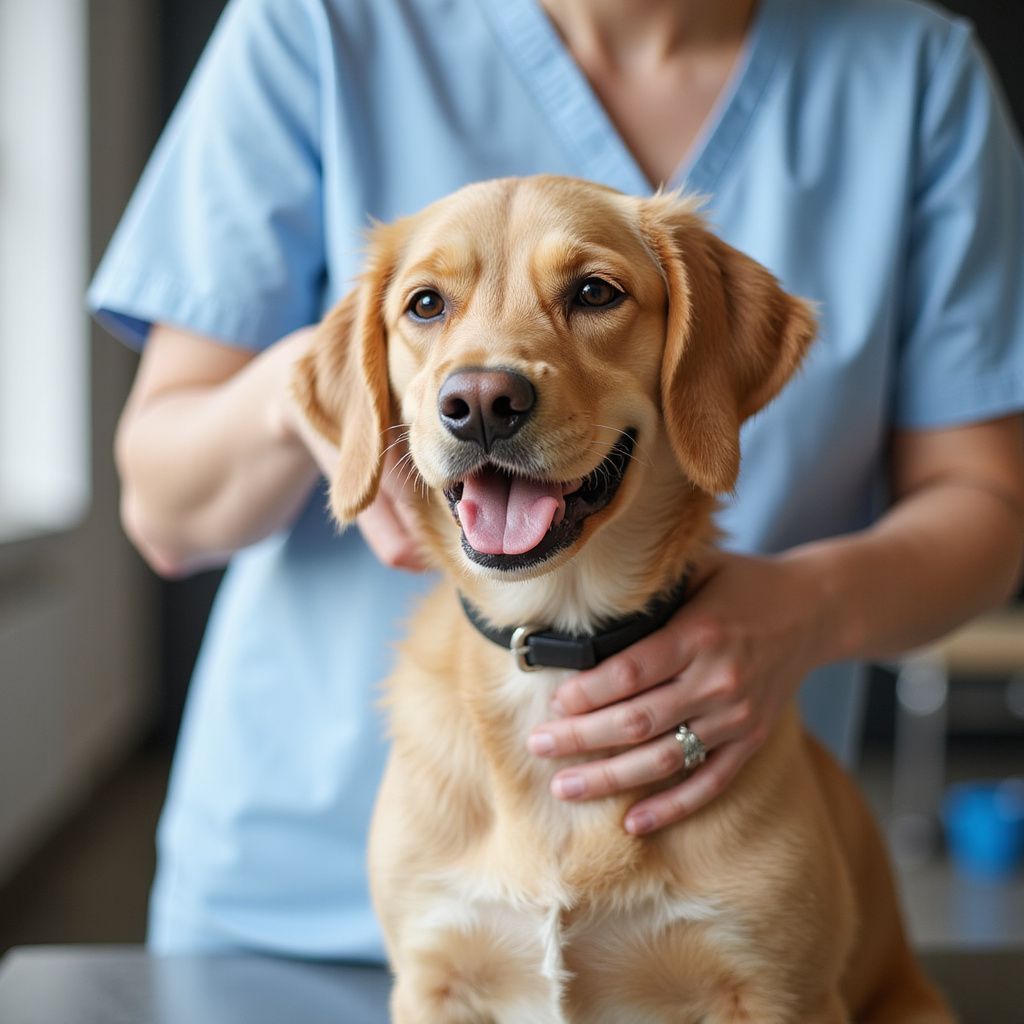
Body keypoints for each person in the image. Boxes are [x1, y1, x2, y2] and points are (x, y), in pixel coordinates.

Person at [90, 0, 1024, 958]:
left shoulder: (911, 74)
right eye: (427, 305)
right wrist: (333, 401)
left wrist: (811, 607)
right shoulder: (315, 22)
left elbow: (987, 501)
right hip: (304, 898)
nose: (485, 387)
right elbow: (162, 509)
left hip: (707, 880)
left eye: (591, 295)